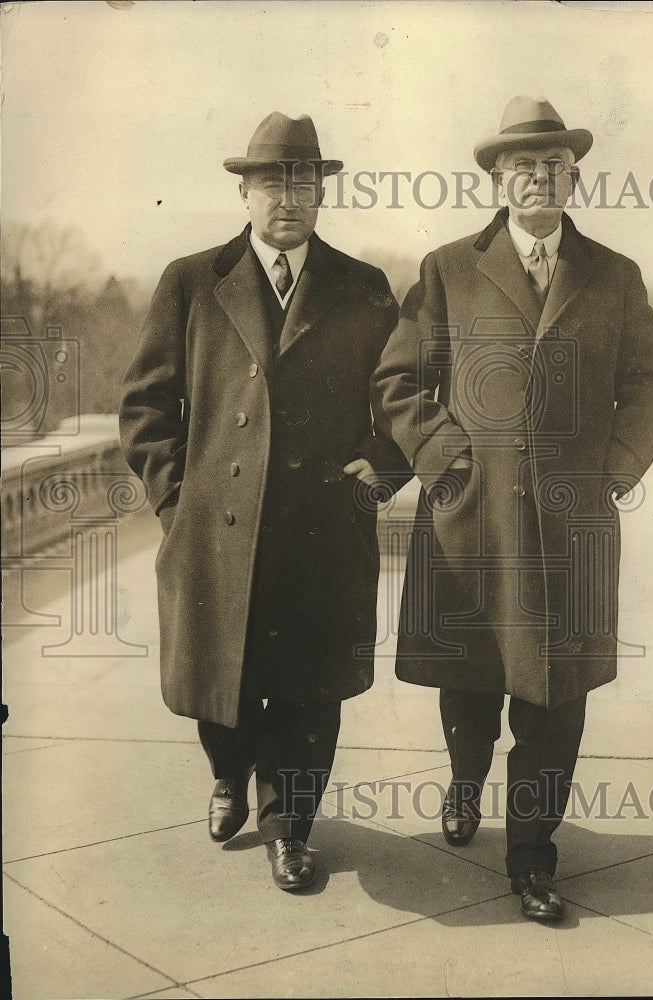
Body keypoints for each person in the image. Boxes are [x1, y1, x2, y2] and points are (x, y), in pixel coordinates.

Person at [371, 96, 653, 921]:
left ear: (573, 178)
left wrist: (612, 471)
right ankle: (465, 782)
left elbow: (651, 385)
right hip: (471, 518)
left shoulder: (614, 275)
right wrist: (444, 457)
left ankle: (533, 858)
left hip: (571, 529)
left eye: (553, 165)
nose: (538, 177)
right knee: (470, 679)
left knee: (556, 696)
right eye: (522, 166)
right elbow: (399, 381)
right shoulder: (447, 268)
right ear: (498, 180)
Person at [119, 111, 410, 891]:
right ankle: (229, 772)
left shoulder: (363, 286)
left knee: (310, 689)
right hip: (217, 530)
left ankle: (290, 829)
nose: (288, 197)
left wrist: (384, 462)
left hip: (322, 528)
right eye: (272, 182)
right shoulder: (192, 281)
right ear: (244, 192)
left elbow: (402, 394)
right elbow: (146, 404)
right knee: (224, 682)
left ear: (322, 193)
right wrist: (177, 503)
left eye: (303, 182)